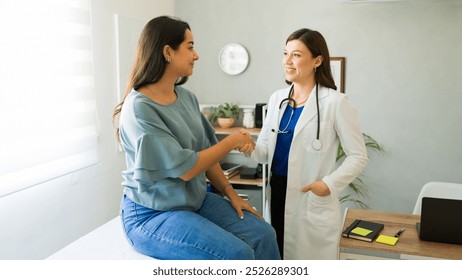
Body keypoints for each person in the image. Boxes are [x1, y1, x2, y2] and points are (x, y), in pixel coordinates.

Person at [112, 16, 280, 260]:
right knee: (237, 255)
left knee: (264, 234)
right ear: (168, 52)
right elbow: (187, 169)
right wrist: (232, 141)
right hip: (152, 213)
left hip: (194, 201)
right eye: (190, 47)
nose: (196, 55)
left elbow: (207, 154)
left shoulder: (187, 98)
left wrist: (232, 195)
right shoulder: (140, 108)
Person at [251, 28, 368, 259]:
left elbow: (358, 155)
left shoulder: (336, 102)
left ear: (317, 60)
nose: (287, 61)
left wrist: (328, 184)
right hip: (277, 193)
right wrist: (249, 146)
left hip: (310, 196)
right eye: (285, 54)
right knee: (277, 259)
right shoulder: (277, 99)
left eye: (296, 55)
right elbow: (264, 154)